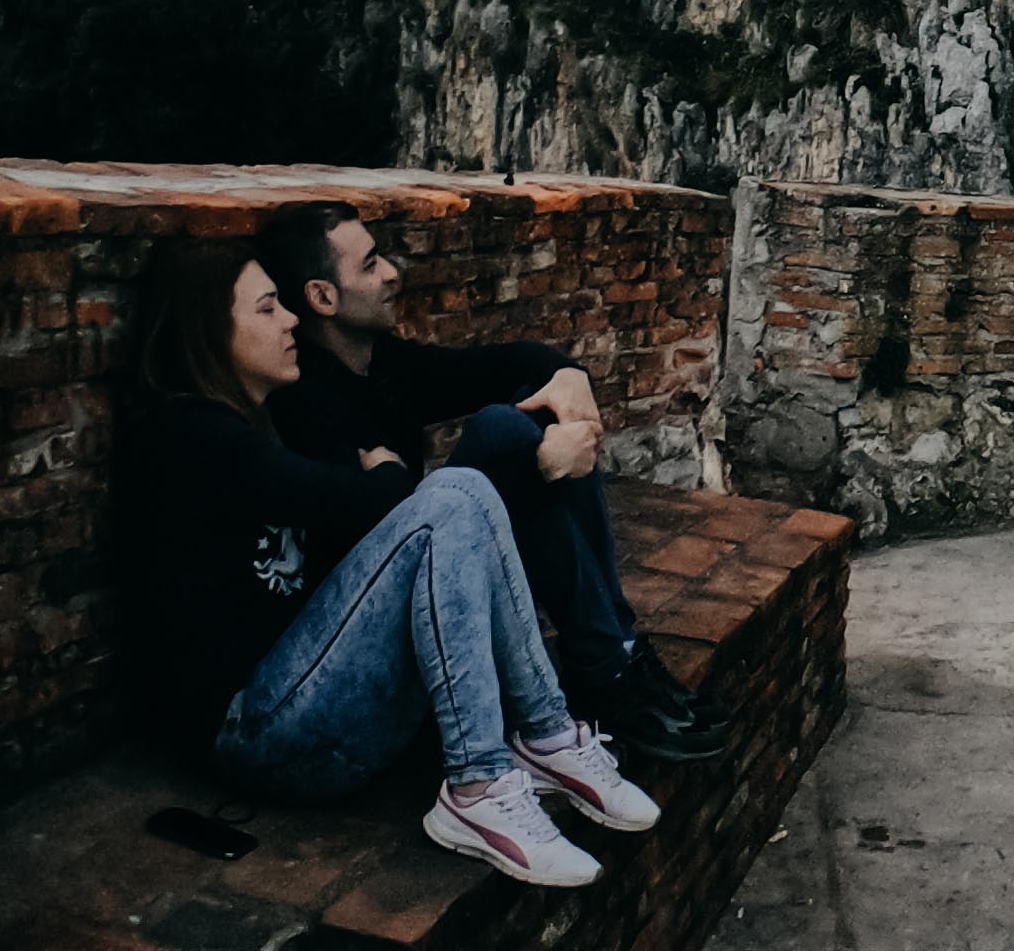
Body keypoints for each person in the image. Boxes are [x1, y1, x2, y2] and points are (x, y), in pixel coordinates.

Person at [122, 242, 655, 889]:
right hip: (261, 736)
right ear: (208, 330)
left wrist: (393, 476)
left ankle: (544, 735)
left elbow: (372, 498)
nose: (290, 321)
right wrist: (389, 478)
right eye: (267, 309)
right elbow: (362, 501)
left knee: (469, 489)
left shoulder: (259, 420)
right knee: (453, 498)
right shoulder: (188, 434)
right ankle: (482, 781)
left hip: (314, 699)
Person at [253, 202, 722, 766]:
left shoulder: (385, 365)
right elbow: (385, 529)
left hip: (440, 603)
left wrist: (568, 380)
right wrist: (541, 466)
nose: (392, 274)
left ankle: (614, 655)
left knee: (538, 418)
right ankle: (605, 667)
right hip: (378, 637)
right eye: (371, 264)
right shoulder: (304, 401)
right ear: (323, 297)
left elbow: (506, 363)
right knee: (504, 432)